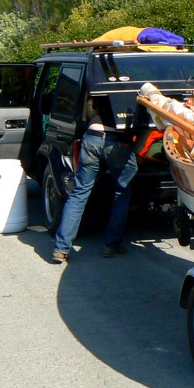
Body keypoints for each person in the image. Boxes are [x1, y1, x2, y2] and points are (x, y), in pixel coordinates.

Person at [52, 96, 138, 263]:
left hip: (92, 136)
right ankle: (111, 245)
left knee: (79, 193)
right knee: (122, 193)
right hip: (118, 141)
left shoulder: (101, 86)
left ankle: (61, 249)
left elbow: (88, 110)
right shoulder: (132, 90)